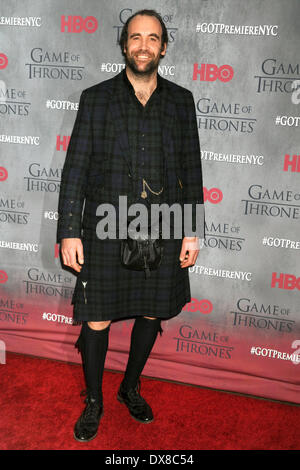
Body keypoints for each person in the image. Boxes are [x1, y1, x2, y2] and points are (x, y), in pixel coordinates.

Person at [57, 9, 204, 443]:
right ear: (124, 45)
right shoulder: (97, 98)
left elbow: (191, 168)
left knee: (153, 311)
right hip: (104, 224)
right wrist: (69, 230)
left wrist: (191, 229)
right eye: (135, 37)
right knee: (97, 319)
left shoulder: (180, 101)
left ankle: (129, 387)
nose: (143, 45)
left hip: (165, 223)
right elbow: (75, 169)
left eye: (152, 38)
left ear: (163, 46)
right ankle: (94, 401)